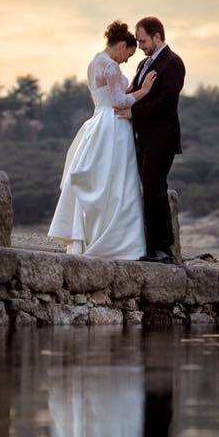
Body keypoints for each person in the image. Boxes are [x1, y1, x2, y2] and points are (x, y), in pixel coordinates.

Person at [48, 21, 155, 260]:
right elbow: (120, 101)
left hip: (97, 120)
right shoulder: (112, 68)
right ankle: (115, 240)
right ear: (120, 45)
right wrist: (144, 90)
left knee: (102, 178)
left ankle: (90, 234)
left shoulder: (94, 62)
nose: (126, 60)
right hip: (114, 125)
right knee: (117, 181)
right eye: (128, 53)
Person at [116, 16, 186, 264]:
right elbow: (137, 93)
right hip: (142, 138)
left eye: (143, 40)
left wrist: (133, 112)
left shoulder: (174, 63)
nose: (141, 45)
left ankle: (162, 249)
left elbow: (165, 102)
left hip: (161, 139)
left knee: (155, 188)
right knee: (149, 189)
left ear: (157, 36)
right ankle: (151, 245)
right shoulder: (144, 64)